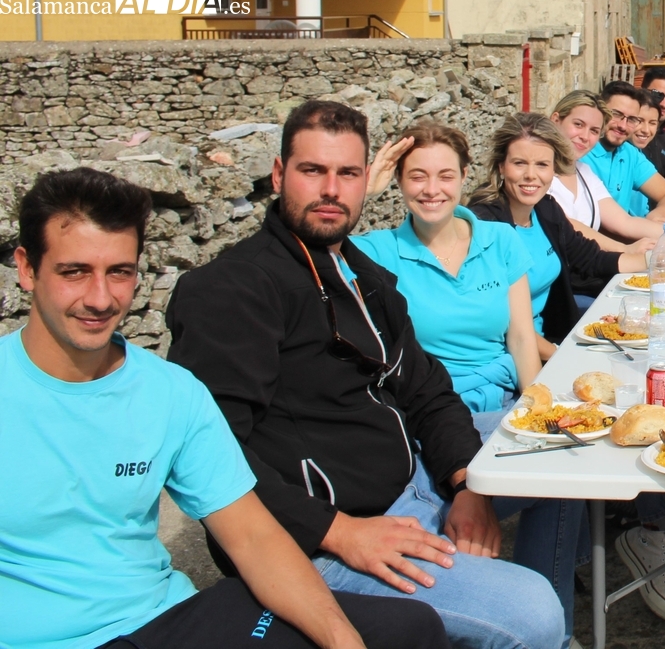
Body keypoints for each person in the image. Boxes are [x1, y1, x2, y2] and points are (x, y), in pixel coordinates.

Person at [166, 100, 569, 649]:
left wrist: (465, 480)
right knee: (532, 613)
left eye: (348, 174)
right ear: (280, 175)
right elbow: (210, 457)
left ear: (365, 182)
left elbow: (427, 389)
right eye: (313, 171)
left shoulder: (361, 273)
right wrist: (340, 533)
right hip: (330, 538)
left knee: (568, 456)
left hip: (419, 481)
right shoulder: (233, 290)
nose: (332, 189)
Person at [1, 166, 449, 649]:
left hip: (165, 619)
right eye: (74, 272)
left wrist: (342, 641)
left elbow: (253, 536)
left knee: (411, 630)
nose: (101, 298)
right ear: (27, 268)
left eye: (120, 272)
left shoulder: (171, 391)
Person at [352, 122, 539, 423]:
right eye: (417, 177)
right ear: (397, 180)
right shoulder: (377, 252)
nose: (432, 190)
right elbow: (307, 251)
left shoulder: (501, 239)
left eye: (446, 176)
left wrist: (536, 415)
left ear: (464, 176)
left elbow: (521, 338)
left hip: (503, 402)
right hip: (427, 411)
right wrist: (362, 191)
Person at [470, 111, 651, 356]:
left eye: (542, 164)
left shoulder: (546, 209)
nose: (531, 175)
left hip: (549, 338)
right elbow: (500, 320)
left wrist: (656, 261)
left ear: (554, 168)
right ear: (502, 166)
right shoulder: (485, 224)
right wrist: (560, 356)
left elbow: (589, 258)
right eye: (520, 163)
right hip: (508, 353)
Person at [547, 90, 665, 247]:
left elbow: (624, 222)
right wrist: (626, 250)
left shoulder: (583, 172)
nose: (585, 136)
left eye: (594, 131)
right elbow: (569, 227)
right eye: (578, 124)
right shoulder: (540, 172)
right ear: (556, 120)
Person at [584, 80, 665, 220]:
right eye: (615, 114)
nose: (622, 125)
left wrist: (654, 218)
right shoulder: (584, 152)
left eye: (632, 119)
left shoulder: (628, 153)